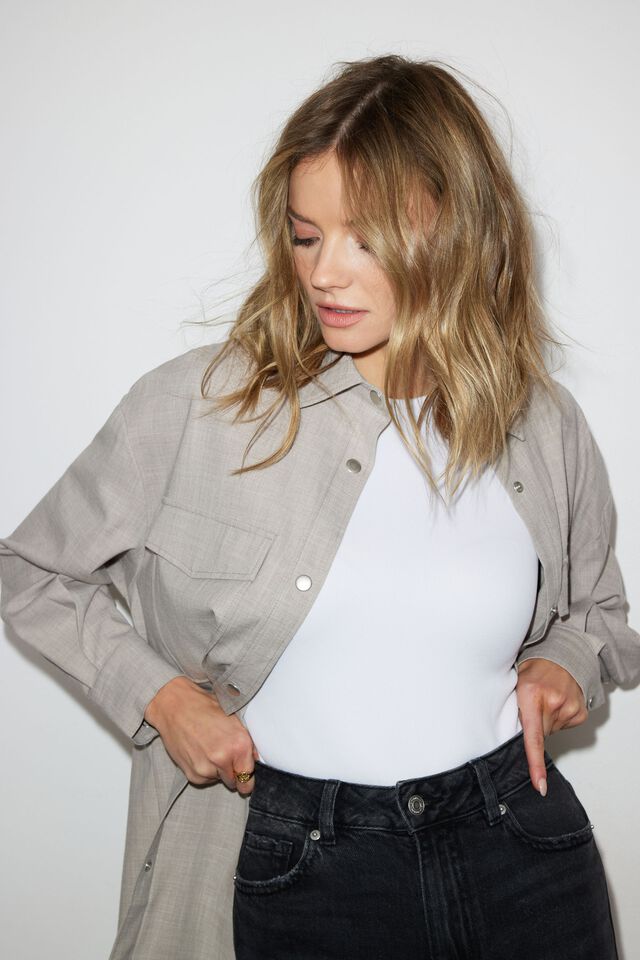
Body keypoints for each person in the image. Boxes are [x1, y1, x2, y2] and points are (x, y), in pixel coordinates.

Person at [0, 53, 638, 960]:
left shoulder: (539, 422)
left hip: (518, 850)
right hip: (298, 865)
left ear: (457, 229)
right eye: (307, 236)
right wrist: (161, 697)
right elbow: (29, 570)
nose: (325, 274)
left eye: (365, 239)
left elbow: (598, 615)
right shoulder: (201, 408)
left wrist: (569, 662)